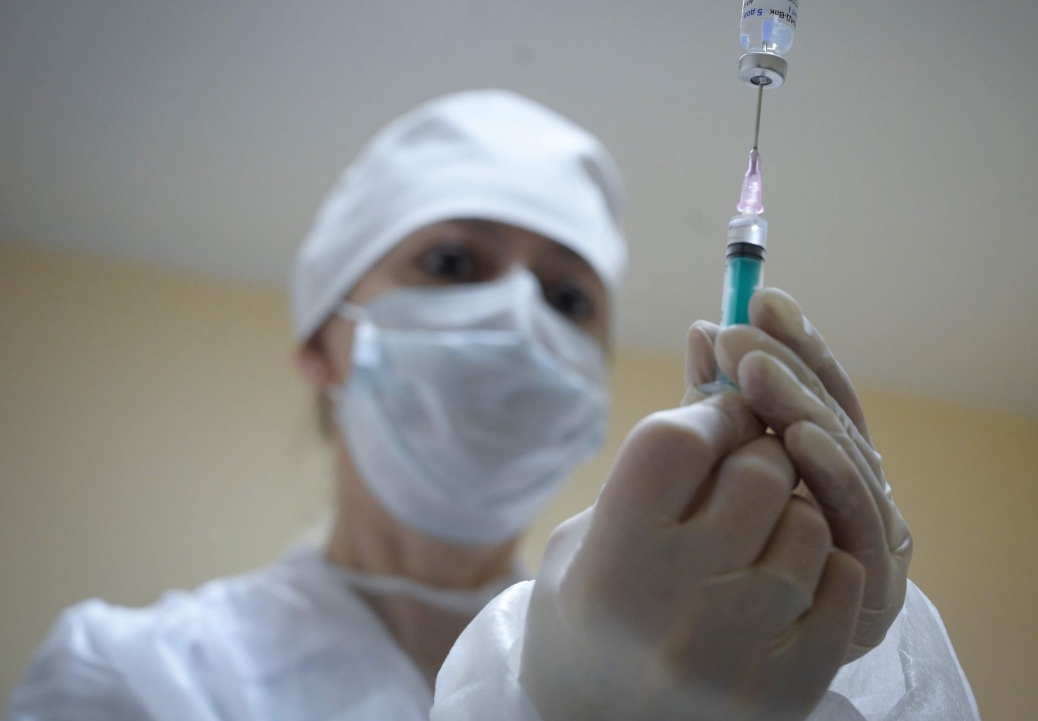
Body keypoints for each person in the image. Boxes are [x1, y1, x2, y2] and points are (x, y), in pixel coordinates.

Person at [5, 90, 979, 720]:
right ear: (322, 339)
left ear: (590, 388)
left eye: (567, 298)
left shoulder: (700, 649)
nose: (518, 318)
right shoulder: (133, 676)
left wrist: (835, 677)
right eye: (453, 262)